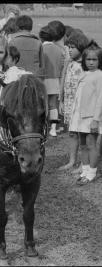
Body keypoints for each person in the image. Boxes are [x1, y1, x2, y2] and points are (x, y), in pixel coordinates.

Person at [69, 43, 102, 185]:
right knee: (83, 144)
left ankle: (92, 172)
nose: (91, 62)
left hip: (91, 117)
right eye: (88, 59)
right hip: (80, 116)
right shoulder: (84, 74)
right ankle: (85, 169)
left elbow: (100, 99)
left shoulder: (99, 76)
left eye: (94, 60)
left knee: (91, 144)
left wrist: (96, 119)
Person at [58, 31, 89, 171]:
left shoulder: (87, 65)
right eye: (68, 47)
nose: (69, 50)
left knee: (83, 135)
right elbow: (64, 83)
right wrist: (61, 100)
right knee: (72, 133)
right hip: (70, 105)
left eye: (72, 47)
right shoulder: (70, 63)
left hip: (82, 106)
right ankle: (72, 161)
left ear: (81, 48)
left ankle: (84, 164)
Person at [39, 21, 66, 137]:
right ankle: (53, 129)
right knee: (53, 105)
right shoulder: (59, 49)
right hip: (55, 80)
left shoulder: (40, 48)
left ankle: (43, 127)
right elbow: (61, 65)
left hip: (43, 80)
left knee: (42, 104)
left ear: (41, 38)